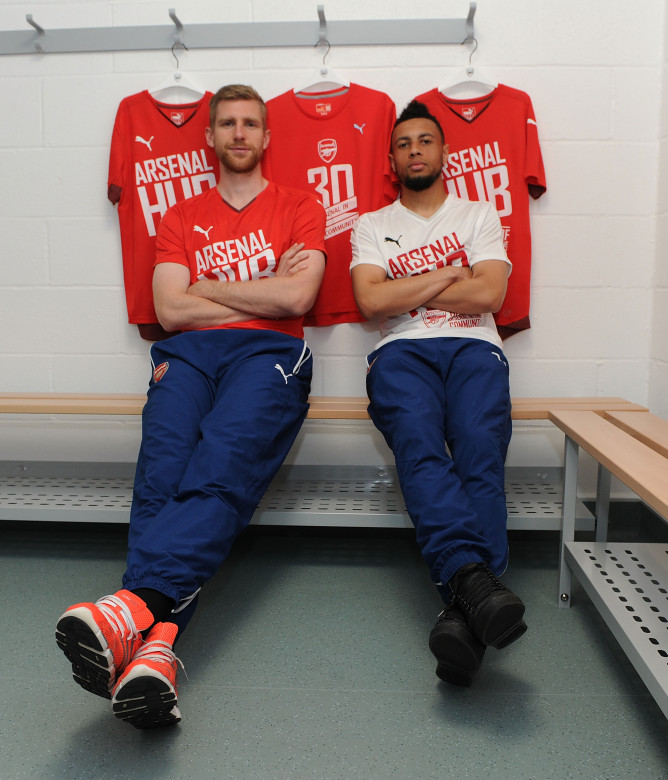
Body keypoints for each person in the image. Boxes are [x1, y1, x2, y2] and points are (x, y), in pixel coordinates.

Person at [55, 85, 326, 728]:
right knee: (160, 479)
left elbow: (298, 301)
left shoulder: (299, 205)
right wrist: (262, 289)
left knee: (220, 467)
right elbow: (170, 310)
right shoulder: (180, 216)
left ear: (266, 137)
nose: (239, 133)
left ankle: (134, 605)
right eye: (227, 123)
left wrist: (211, 285)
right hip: (189, 355)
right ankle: (157, 653)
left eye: (250, 124)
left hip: (269, 356)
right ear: (209, 136)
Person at [350, 100, 526, 687]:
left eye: (426, 141)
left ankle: (463, 601)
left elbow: (490, 297)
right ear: (393, 158)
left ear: (444, 152)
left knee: (478, 445)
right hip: (400, 353)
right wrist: (452, 274)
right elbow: (372, 304)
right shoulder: (372, 225)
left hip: (476, 348)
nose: (416, 150)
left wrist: (408, 288)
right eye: (404, 144)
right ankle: (479, 587)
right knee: (421, 443)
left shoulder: (478, 214)